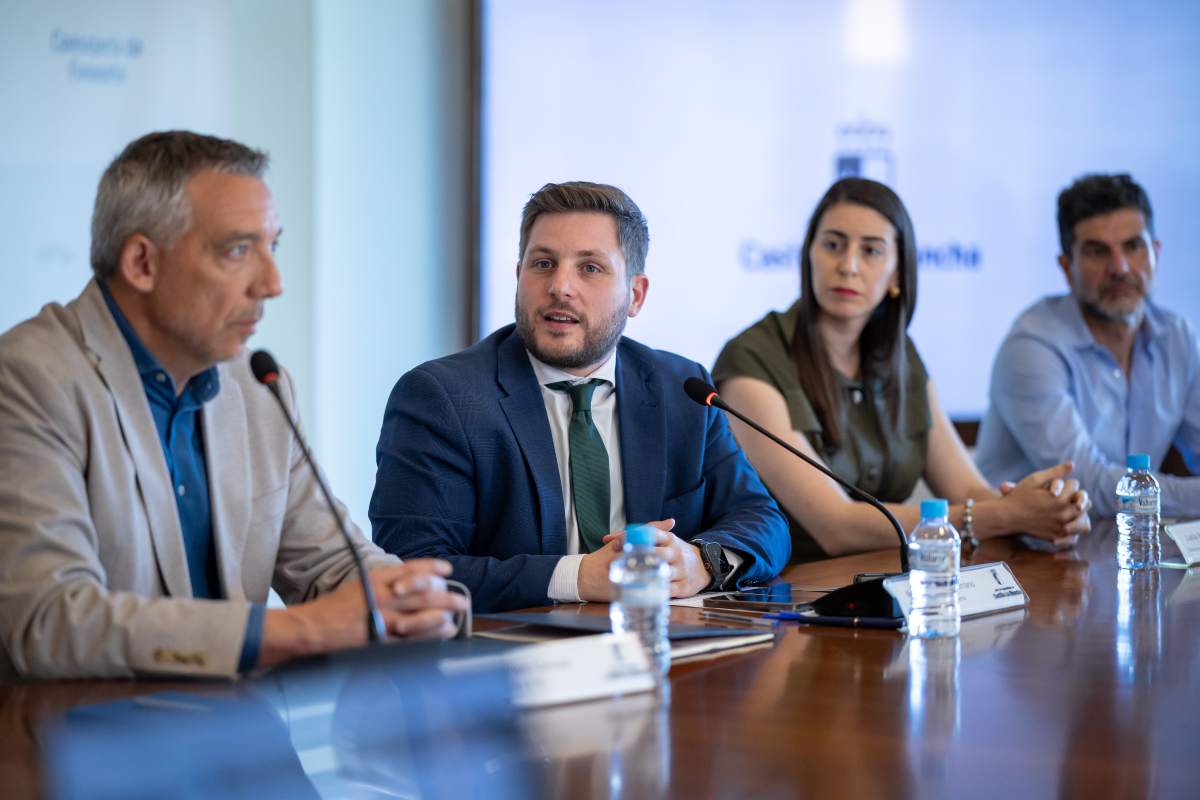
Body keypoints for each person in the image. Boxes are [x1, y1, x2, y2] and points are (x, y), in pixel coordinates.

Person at [0, 131, 467, 680]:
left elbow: (332, 563)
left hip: (236, 738)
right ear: (142, 263)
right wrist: (304, 629)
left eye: (274, 247)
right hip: (71, 745)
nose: (272, 283)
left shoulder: (258, 386)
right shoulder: (30, 377)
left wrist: (418, 599)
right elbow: (49, 621)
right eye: (238, 250)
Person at [371, 181, 790, 612]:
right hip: (507, 657)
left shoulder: (680, 387)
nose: (560, 286)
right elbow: (412, 571)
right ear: (519, 277)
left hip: (662, 649)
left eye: (590, 268)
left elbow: (763, 520)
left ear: (636, 294)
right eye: (543, 264)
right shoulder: (442, 398)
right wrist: (579, 576)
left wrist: (702, 562)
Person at [711, 177, 1091, 562]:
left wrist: (1046, 511)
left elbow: (967, 489)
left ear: (897, 274)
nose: (848, 266)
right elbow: (835, 526)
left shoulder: (900, 355)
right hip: (777, 598)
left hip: (882, 588)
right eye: (832, 245)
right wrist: (1004, 515)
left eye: (871, 250)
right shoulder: (752, 359)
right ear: (808, 254)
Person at [976, 173, 1200, 516]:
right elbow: (1087, 486)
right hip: (1025, 555)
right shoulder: (1031, 345)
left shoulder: (1179, 337)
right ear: (1066, 267)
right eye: (1097, 252)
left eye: (1133, 246)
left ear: (1155, 253)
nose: (1120, 268)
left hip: (1129, 546)